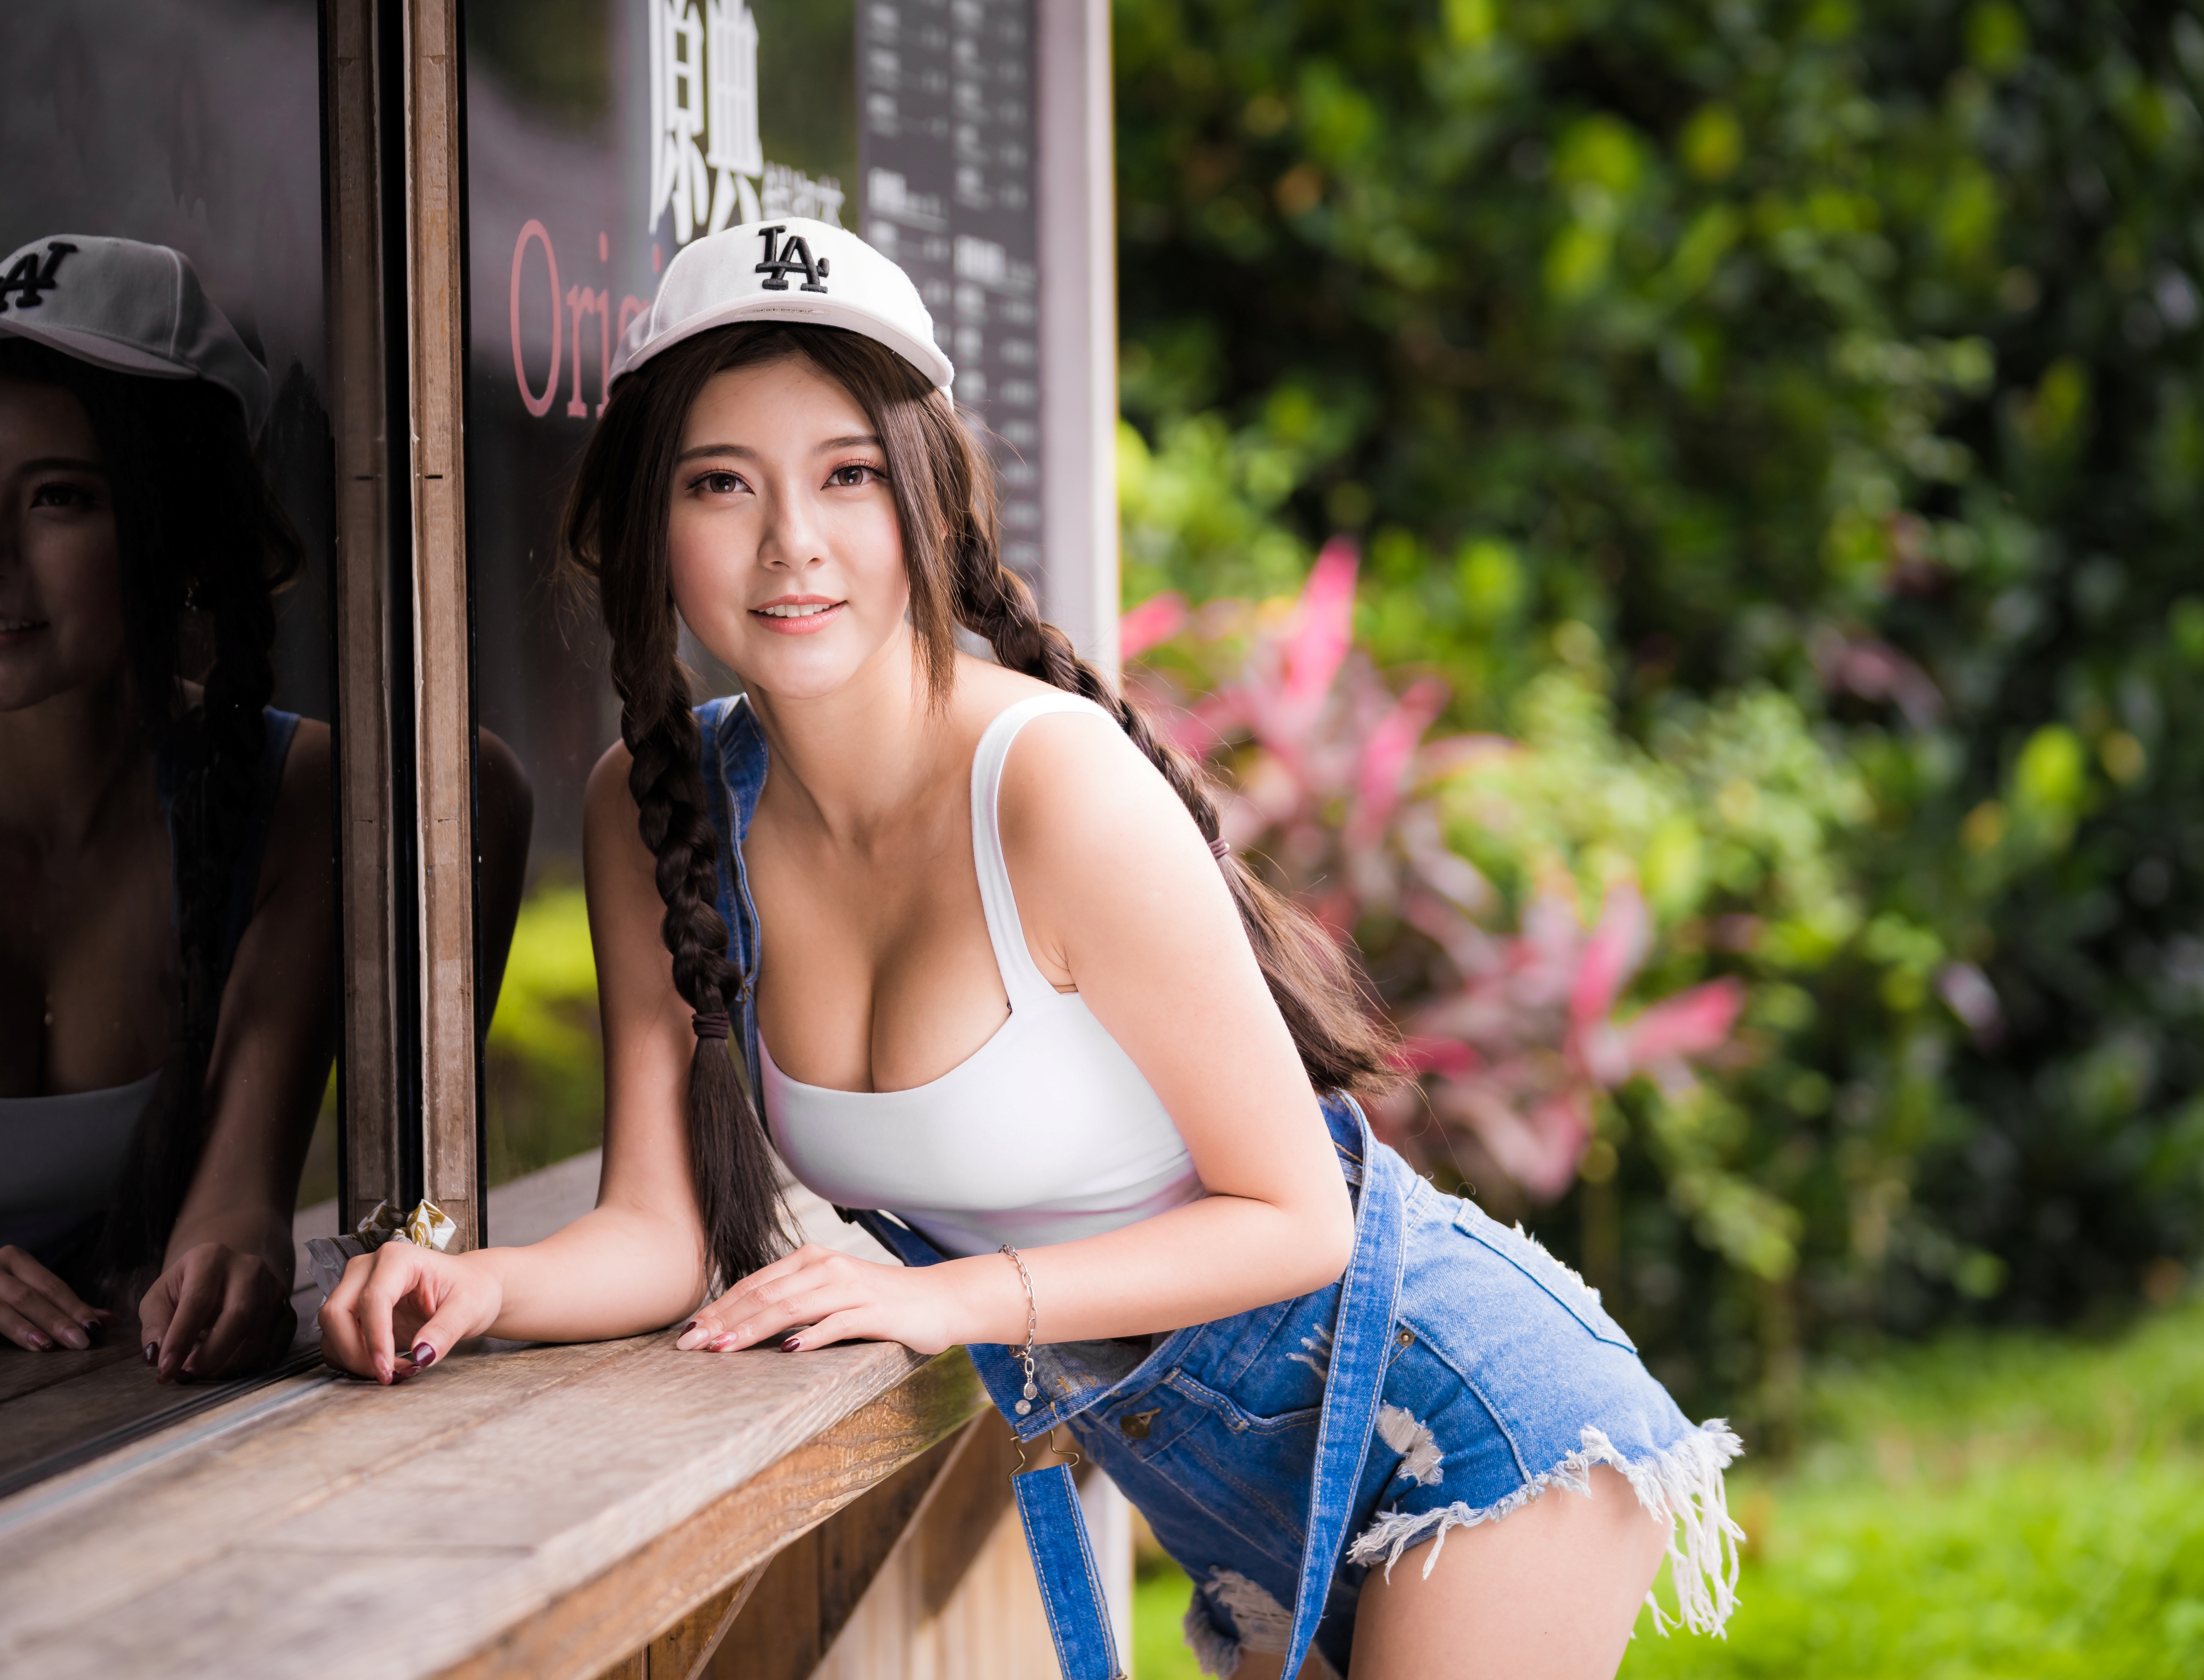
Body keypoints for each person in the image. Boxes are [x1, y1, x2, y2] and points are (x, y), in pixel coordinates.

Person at [319, 218, 1740, 1679]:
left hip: (1464, 1421)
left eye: (848, 475)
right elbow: (659, 1231)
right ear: (645, 525)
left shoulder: (1048, 787)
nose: (790, 541)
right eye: (720, 483)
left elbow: (1301, 1212)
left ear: (930, 507)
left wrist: (942, 1297)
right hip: (1241, 1494)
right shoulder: (657, 807)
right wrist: (480, 1282)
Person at [0, 235, 334, 1381]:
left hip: (104, 1423)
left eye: (58, 498)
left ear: (184, 533)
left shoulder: (286, 802)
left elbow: (476, 785)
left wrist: (235, 1233)